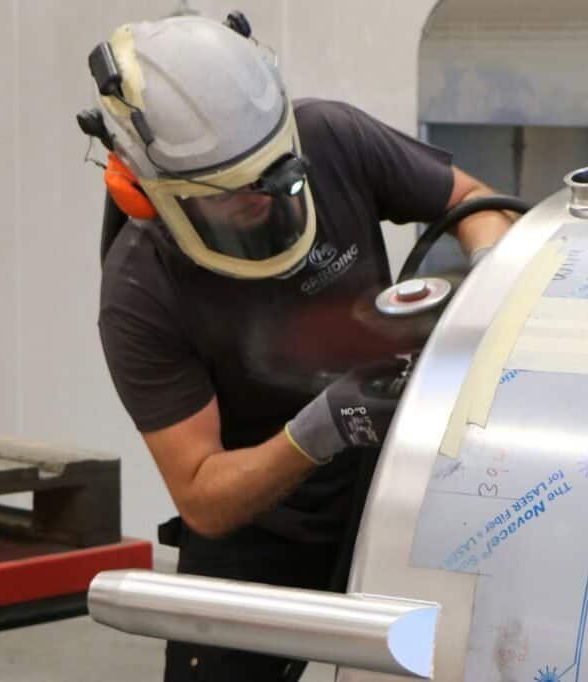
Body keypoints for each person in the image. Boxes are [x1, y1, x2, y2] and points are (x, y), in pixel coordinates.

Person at [83, 12, 514, 682]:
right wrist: (321, 428)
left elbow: (475, 202)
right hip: (256, 530)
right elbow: (202, 495)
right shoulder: (141, 291)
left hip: (387, 495)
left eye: (275, 173)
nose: (262, 196)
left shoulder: (331, 137)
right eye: (232, 191)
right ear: (148, 192)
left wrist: (488, 278)